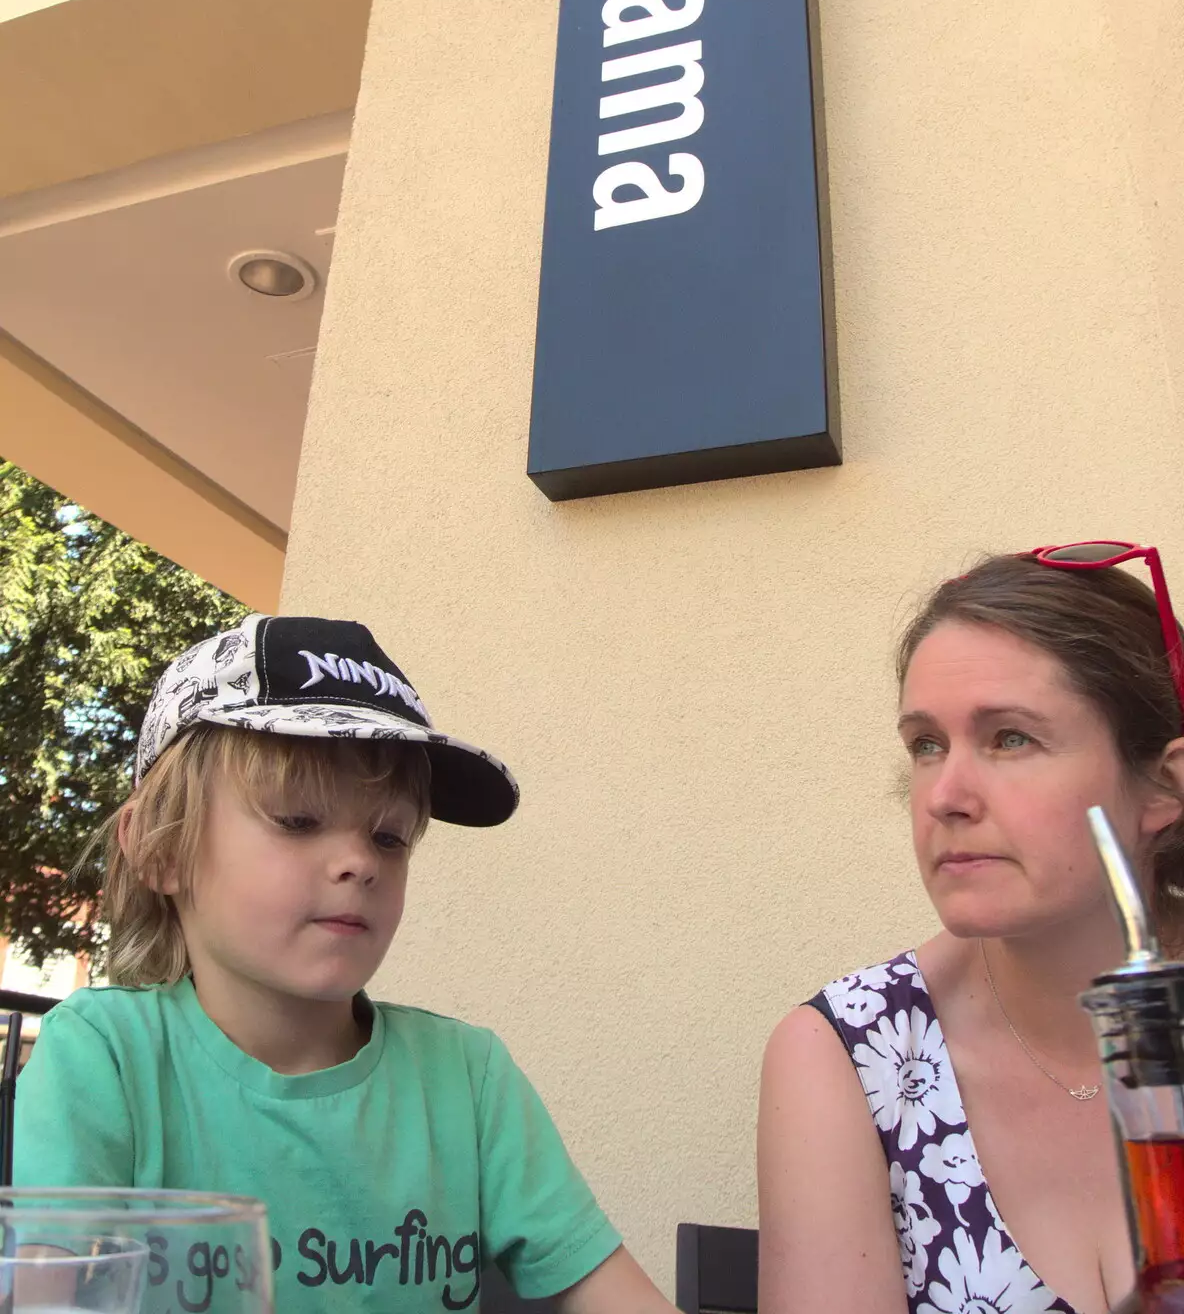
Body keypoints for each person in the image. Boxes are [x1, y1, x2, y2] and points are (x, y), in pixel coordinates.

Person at [16, 612, 675, 1313]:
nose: (360, 862)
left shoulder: (467, 1078)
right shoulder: (106, 1057)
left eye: (390, 837)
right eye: (298, 820)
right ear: (159, 846)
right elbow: (44, 1295)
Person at [757, 544, 1184, 1314]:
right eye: (926, 744)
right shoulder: (857, 1057)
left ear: (1164, 784)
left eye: (1010, 738)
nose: (945, 796)